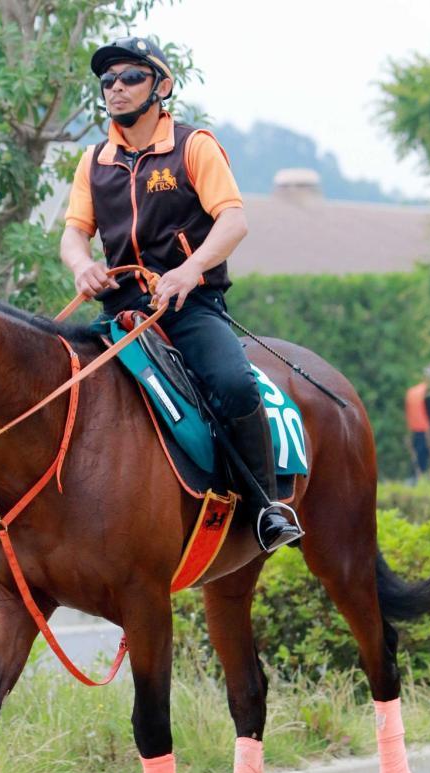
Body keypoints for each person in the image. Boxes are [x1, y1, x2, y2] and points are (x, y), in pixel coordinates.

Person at [60, 36, 303, 551]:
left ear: (162, 86)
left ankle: (266, 508)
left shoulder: (195, 146)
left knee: (235, 385)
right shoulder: (92, 162)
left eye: (131, 78)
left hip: (190, 308)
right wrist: (83, 266)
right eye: (108, 82)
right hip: (121, 313)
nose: (117, 89)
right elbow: (72, 233)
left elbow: (233, 222)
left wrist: (190, 271)